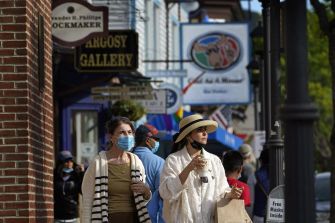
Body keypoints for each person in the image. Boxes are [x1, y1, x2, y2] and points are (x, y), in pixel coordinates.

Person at [159, 114, 243, 223]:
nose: (205, 133)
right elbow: (165, 192)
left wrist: (231, 193)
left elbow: (222, 191)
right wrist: (189, 168)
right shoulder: (174, 160)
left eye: (205, 130)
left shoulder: (214, 161)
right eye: (200, 130)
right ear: (188, 136)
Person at [81, 116, 152, 223]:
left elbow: (142, 201)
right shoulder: (98, 163)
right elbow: (87, 200)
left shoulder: (136, 162)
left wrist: (146, 192)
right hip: (108, 218)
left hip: (133, 218)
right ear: (111, 137)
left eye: (129, 132)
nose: (127, 136)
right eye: (122, 132)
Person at [133, 124, 165, 223]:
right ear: (148, 141)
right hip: (149, 217)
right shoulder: (159, 162)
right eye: (156, 139)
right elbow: (163, 194)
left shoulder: (126, 158)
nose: (157, 142)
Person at [54, 150, 84, 223]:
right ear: (60, 164)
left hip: (72, 217)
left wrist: (81, 174)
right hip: (58, 217)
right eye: (66, 161)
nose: (69, 164)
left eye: (71, 161)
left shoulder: (75, 178)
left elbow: (83, 191)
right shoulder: (55, 178)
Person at [238, 143, 256, 216]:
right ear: (249, 155)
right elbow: (252, 184)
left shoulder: (237, 165)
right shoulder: (249, 168)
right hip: (247, 202)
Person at [253, 149, 270, 223]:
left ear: (261, 160)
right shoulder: (282, 175)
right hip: (277, 215)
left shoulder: (255, 175)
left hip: (258, 215)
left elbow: (251, 200)